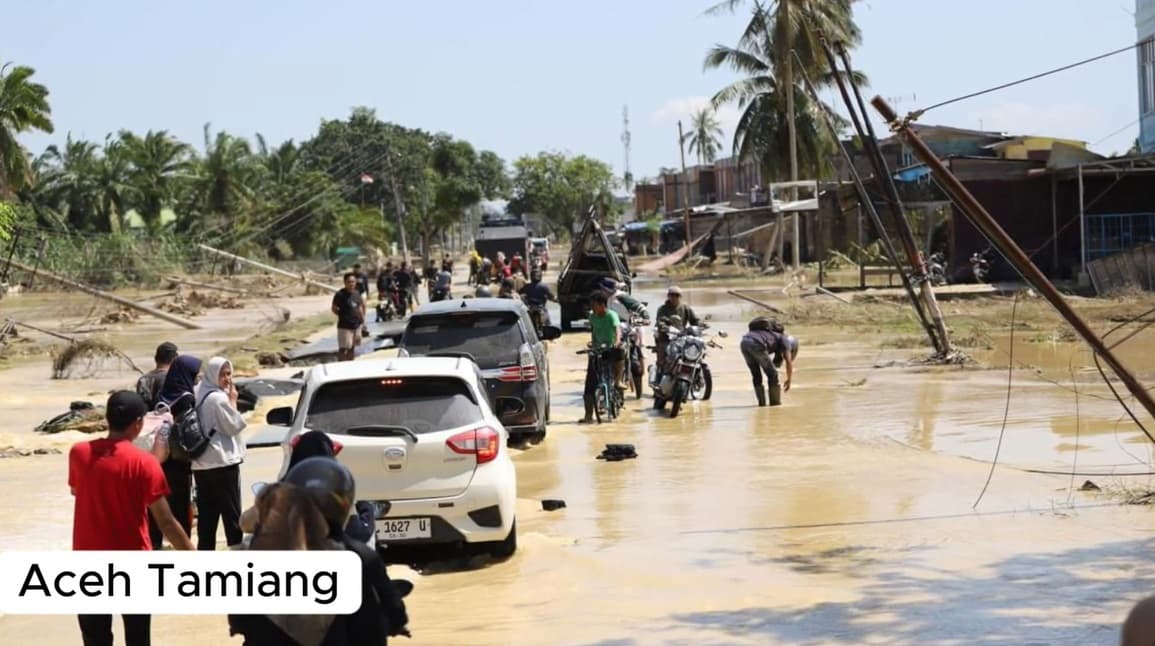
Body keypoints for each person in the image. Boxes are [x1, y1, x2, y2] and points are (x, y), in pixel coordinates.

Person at [71, 391, 194, 646]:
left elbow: (77, 490)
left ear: (107, 419)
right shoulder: (145, 464)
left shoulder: (79, 453)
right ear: (138, 423)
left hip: (88, 564)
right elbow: (166, 521)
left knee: (95, 638)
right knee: (138, 638)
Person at [192, 356, 248, 550]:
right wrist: (233, 401)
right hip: (223, 462)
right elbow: (234, 426)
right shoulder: (218, 398)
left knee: (207, 516)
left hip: (201, 463)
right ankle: (237, 551)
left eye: (228, 373)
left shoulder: (197, 393)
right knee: (232, 513)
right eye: (223, 374)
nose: (227, 379)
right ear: (213, 375)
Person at [146, 354, 202, 550]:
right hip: (179, 459)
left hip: (160, 456)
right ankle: (183, 545)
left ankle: (154, 543)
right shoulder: (187, 398)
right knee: (180, 504)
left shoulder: (163, 394)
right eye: (195, 373)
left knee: (157, 503)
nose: (198, 376)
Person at [580, 291, 622, 424]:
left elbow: (617, 330)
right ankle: (588, 415)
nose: (591, 307)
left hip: (611, 347)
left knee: (620, 352)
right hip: (597, 348)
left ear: (602, 304)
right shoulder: (592, 316)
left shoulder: (611, 315)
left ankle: (618, 380)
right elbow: (593, 330)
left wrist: (617, 342)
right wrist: (592, 344)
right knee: (590, 382)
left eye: (593, 305)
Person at [740, 316, 793, 407]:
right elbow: (788, 361)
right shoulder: (784, 339)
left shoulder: (767, 334)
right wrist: (789, 379)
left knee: (756, 375)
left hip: (744, 343)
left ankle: (762, 404)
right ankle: (775, 404)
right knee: (773, 374)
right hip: (756, 344)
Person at [654, 286, 700, 367]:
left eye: (677, 295)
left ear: (680, 297)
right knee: (662, 362)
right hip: (666, 338)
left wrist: (700, 327)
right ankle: (659, 377)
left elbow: (695, 321)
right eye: (672, 295)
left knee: (695, 356)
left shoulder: (685, 308)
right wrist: (667, 329)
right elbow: (660, 322)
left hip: (682, 337)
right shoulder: (662, 309)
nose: (674, 298)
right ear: (668, 296)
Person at [332, 272, 366, 362]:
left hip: (356, 325)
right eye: (349, 282)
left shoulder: (357, 293)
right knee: (343, 348)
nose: (351, 284)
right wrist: (343, 315)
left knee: (352, 347)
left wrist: (363, 322)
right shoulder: (340, 294)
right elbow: (334, 308)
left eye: (353, 282)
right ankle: (340, 366)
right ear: (345, 282)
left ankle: (350, 365)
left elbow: (359, 308)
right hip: (344, 326)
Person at [135, 341, 178, 410]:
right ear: (174, 360)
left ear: (155, 358)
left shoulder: (143, 379)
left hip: (145, 418)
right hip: (165, 418)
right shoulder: (173, 379)